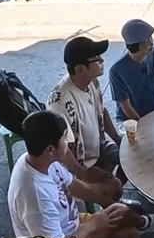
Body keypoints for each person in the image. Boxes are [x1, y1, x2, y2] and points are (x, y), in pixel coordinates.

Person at [8, 110, 154, 238]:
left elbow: (74, 185)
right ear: (50, 149)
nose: (68, 141)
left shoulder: (41, 160)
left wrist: (106, 202)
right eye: (64, 138)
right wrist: (94, 224)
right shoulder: (34, 197)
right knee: (129, 234)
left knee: (121, 211)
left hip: (70, 224)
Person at [47, 35, 138, 208]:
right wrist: (82, 173)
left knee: (133, 155)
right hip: (76, 165)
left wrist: (119, 140)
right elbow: (60, 148)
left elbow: (101, 111)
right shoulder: (59, 101)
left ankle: (111, 200)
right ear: (80, 69)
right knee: (114, 186)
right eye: (97, 58)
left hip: (98, 149)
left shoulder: (92, 82)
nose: (102, 61)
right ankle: (110, 206)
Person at [109, 19, 154, 129]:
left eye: (151, 37)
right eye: (147, 40)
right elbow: (126, 107)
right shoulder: (117, 71)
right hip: (129, 121)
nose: (151, 42)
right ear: (135, 45)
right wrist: (144, 126)